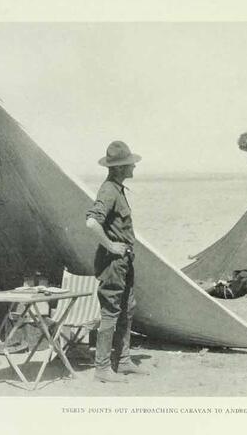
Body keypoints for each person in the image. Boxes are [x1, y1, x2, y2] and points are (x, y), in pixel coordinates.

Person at [86, 140, 149, 383]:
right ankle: (102, 367)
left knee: (127, 309)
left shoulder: (117, 188)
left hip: (123, 261)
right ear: (121, 167)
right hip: (112, 262)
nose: (134, 166)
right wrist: (111, 245)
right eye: (130, 163)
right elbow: (92, 222)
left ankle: (122, 361)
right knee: (111, 312)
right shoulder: (109, 191)